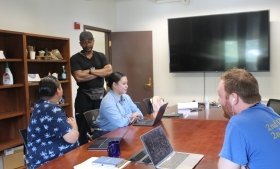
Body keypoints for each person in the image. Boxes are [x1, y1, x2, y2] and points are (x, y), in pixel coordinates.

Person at [217, 68, 280, 169]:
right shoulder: (270, 112)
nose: (219, 100)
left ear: (234, 98)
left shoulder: (238, 124)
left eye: (220, 96)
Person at [26, 76, 79, 169]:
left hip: (46, 159)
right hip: (48, 162)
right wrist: (74, 126)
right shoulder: (52, 109)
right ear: (58, 91)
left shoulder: (40, 105)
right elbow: (72, 138)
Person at [70, 31, 112, 145]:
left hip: (100, 95)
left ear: (93, 41)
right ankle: (82, 150)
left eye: (89, 42)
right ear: (80, 43)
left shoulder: (101, 56)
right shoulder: (75, 59)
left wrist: (89, 71)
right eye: (84, 43)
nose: (87, 45)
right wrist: (99, 72)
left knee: (102, 124)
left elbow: (108, 71)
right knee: (83, 127)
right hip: (84, 97)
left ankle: (102, 146)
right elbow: (79, 77)